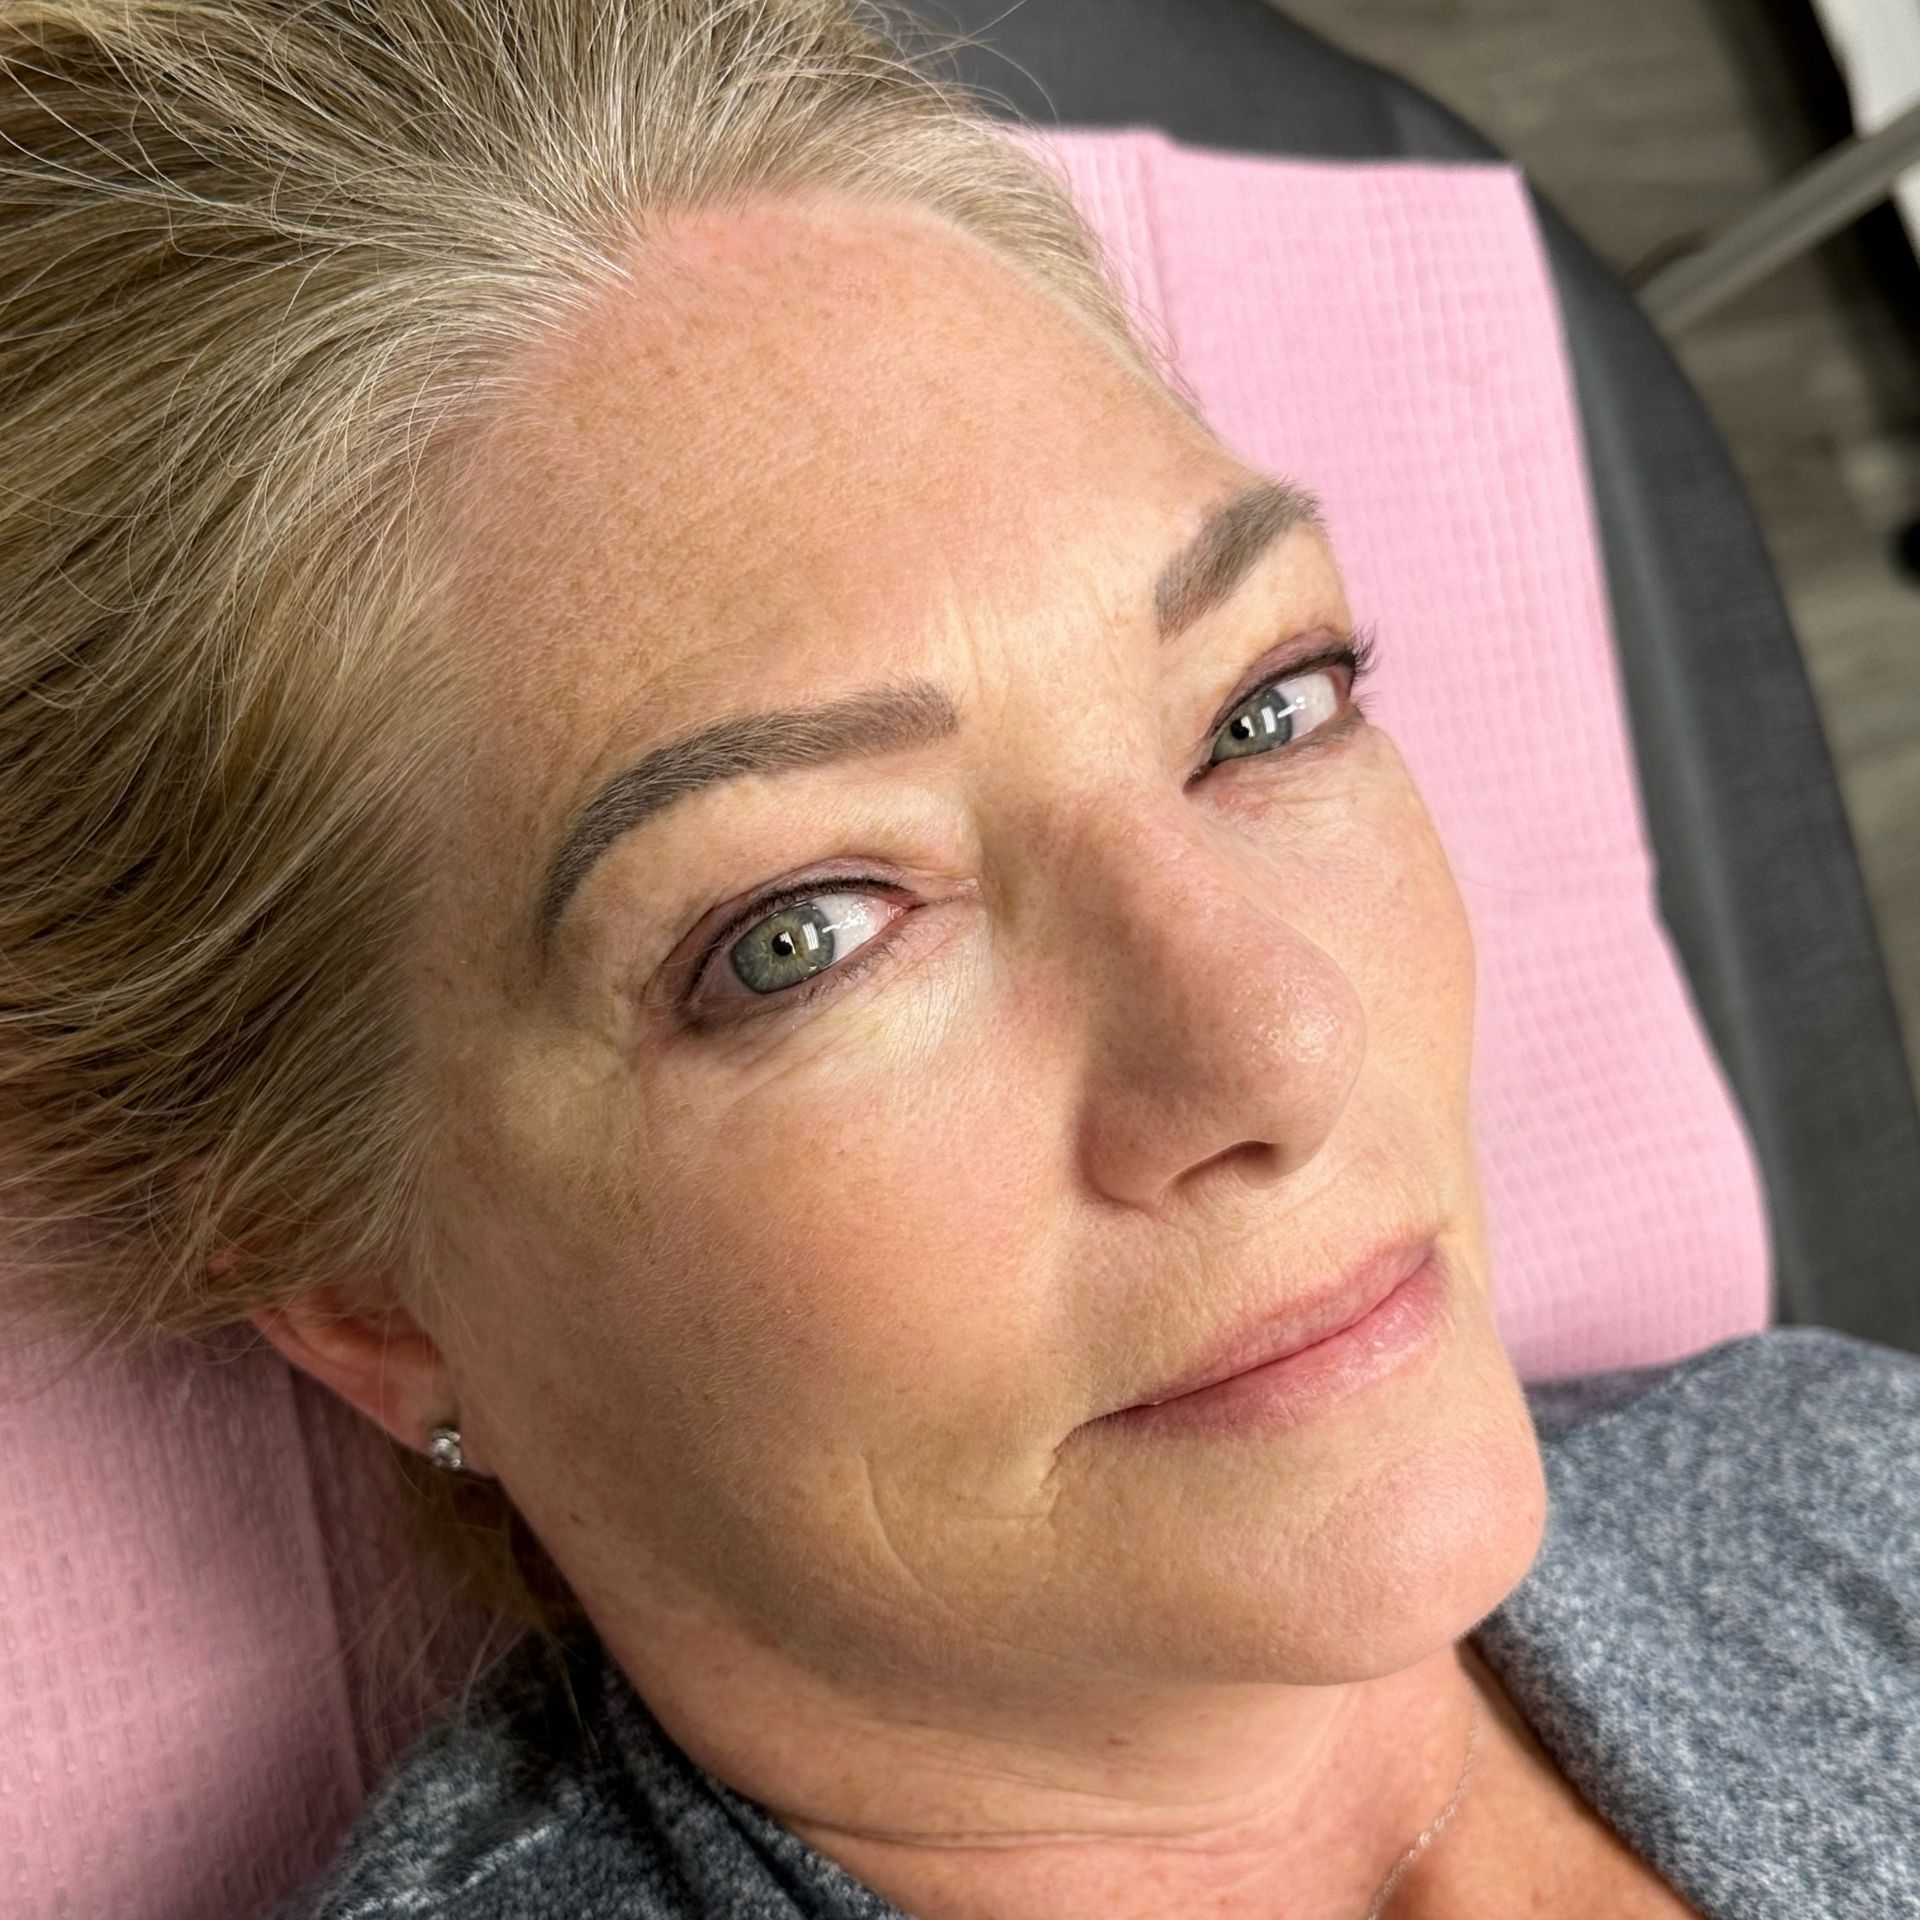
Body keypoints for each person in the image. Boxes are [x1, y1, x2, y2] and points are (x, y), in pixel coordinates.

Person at [1, 5, 1913, 1918]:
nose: (1283, 1044)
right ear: (361, 1295)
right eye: (802, 934)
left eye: (1266, 710)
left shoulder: (1849, 1493)